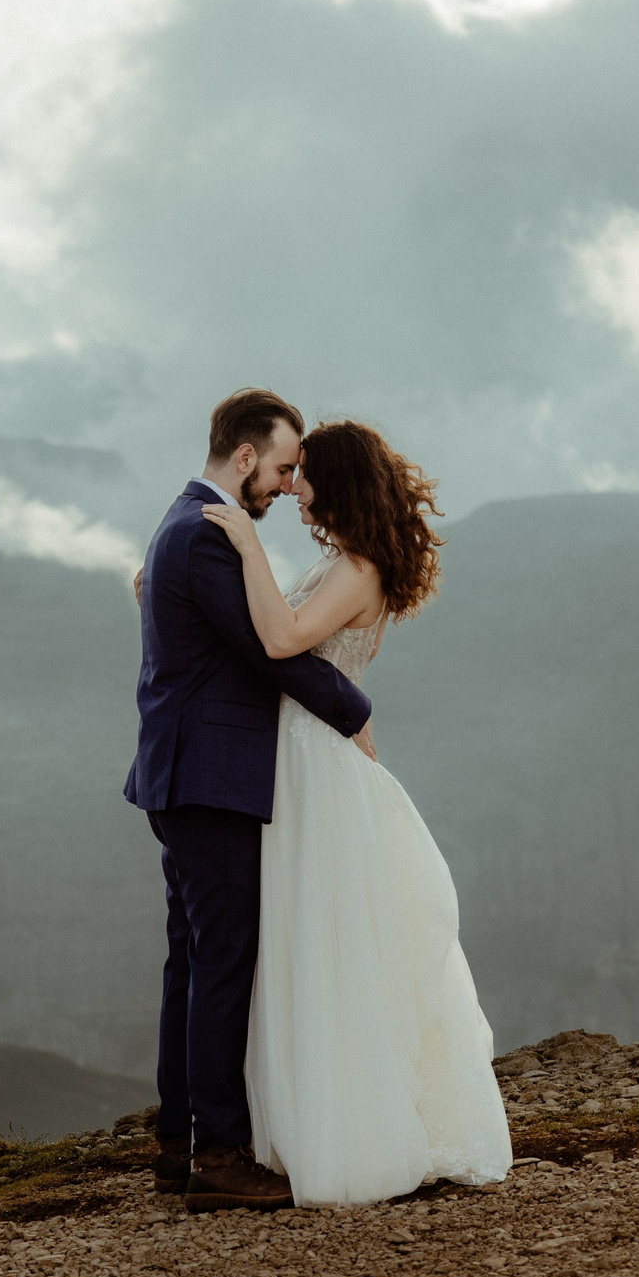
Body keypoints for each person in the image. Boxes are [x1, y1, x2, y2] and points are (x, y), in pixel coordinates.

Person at [202, 418, 512, 1205]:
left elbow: (280, 640)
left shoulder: (359, 568)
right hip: (301, 762)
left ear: (333, 479)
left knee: (327, 943)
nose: (293, 485)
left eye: (304, 473)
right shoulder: (343, 560)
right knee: (308, 941)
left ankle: (352, 1137)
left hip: (318, 769)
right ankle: (307, 1125)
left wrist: (245, 549)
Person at [125, 389, 373, 1213]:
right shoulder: (205, 537)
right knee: (222, 963)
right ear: (243, 458)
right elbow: (272, 653)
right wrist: (355, 714)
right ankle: (220, 1156)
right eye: (280, 468)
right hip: (211, 779)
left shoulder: (182, 522)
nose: (284, 484)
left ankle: (178, 1140)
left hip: (186, 774)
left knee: (191, 962)